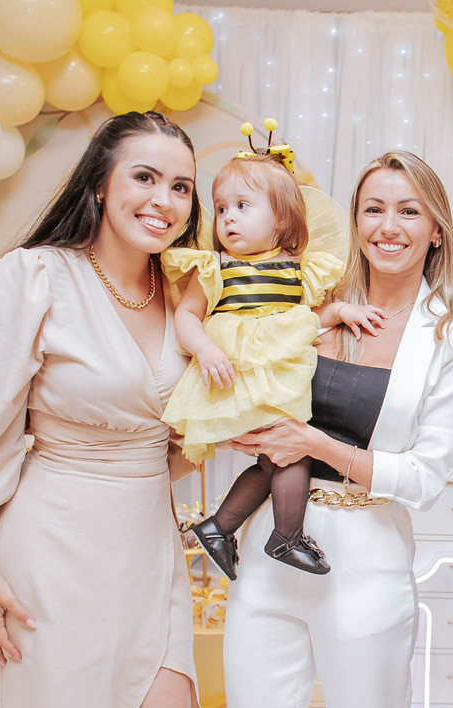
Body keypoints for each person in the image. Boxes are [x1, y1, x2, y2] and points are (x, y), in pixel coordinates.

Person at [0, 111, 204, 708]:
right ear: (101, 186)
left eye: (181, 187)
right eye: (145, 177)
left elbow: (187, 433)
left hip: (150, 549)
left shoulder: (188, 293)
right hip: (52, 552)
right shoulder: (35, 276)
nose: (164, 200)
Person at [220, 151, 453, 708]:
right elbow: (242, 390)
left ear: (436, 230)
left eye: (408, 211)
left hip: (367, 562)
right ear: (355, 220)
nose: (388, 226)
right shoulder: (311, 302)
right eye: (374, 209)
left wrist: (315, 444)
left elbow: (422, 478)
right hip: (269, 554)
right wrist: (238, 423)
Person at [162, 144, 381, 580]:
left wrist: (341, 311)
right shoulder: (216, 267)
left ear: (281, 218)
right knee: (292, 455)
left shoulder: (298, 269)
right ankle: (284, 536)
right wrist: (204, 349)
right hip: (236, 376)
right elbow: (187, 316)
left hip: (278, 379)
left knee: (276, 458)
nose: (228, 218)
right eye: (221, 208)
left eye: (242, 206)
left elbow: (305, 319)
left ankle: (220, 528)